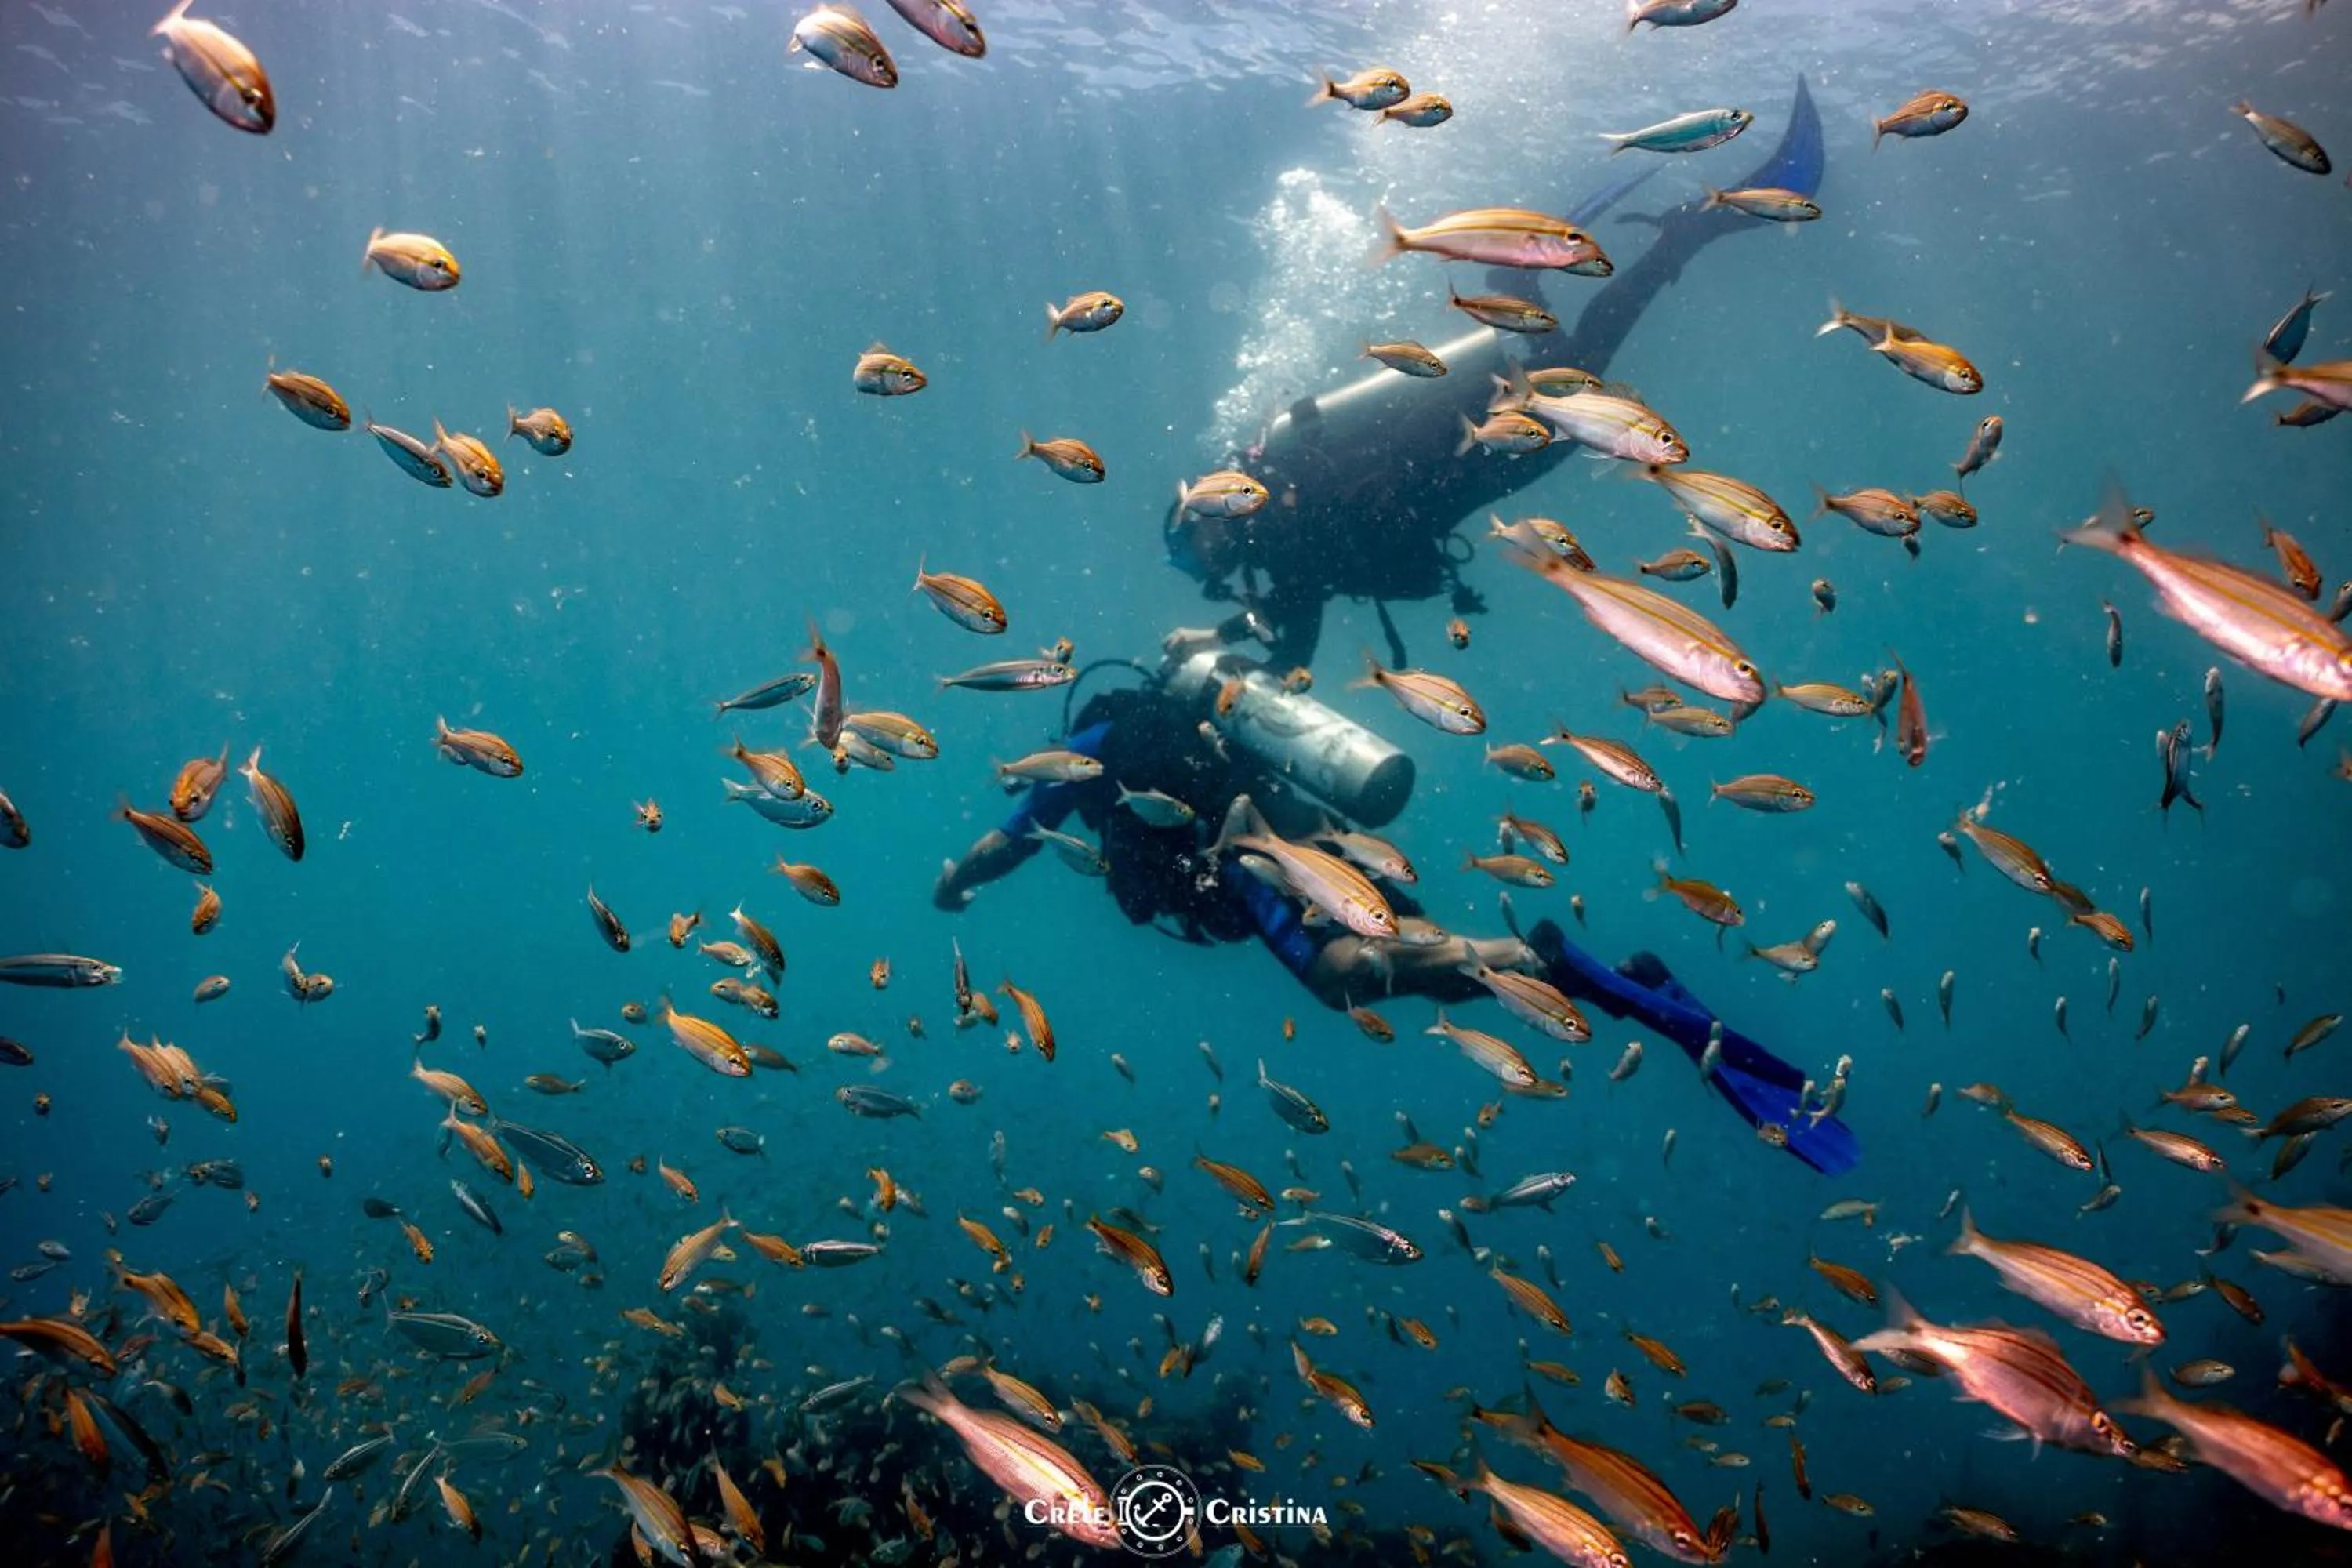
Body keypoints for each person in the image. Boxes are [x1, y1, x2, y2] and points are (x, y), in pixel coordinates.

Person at [932, 625, 1860, 1176]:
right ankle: (1580, 975)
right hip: (1324, 835)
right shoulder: (1202, 718)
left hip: (1255, 856)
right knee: (1414, 947)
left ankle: (1556, 966)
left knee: (1339, 971)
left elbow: (1005, 839)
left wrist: (956, 881)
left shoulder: (1088, 747)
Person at [1167, 78, 1824, 669]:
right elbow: (1298, 626)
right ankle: (1531, 279)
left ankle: (1680, 237)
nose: (1209, 563)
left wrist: (1484, 407)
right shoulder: (1279, 541)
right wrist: (1216, 641)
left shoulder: (1280, 508)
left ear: (1206, 514)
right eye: (1197, 563)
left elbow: (1320, 576)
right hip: (1482, 455)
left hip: (1474, 440)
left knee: (1584, 366)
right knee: (1579, 364)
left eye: (1198, 548)